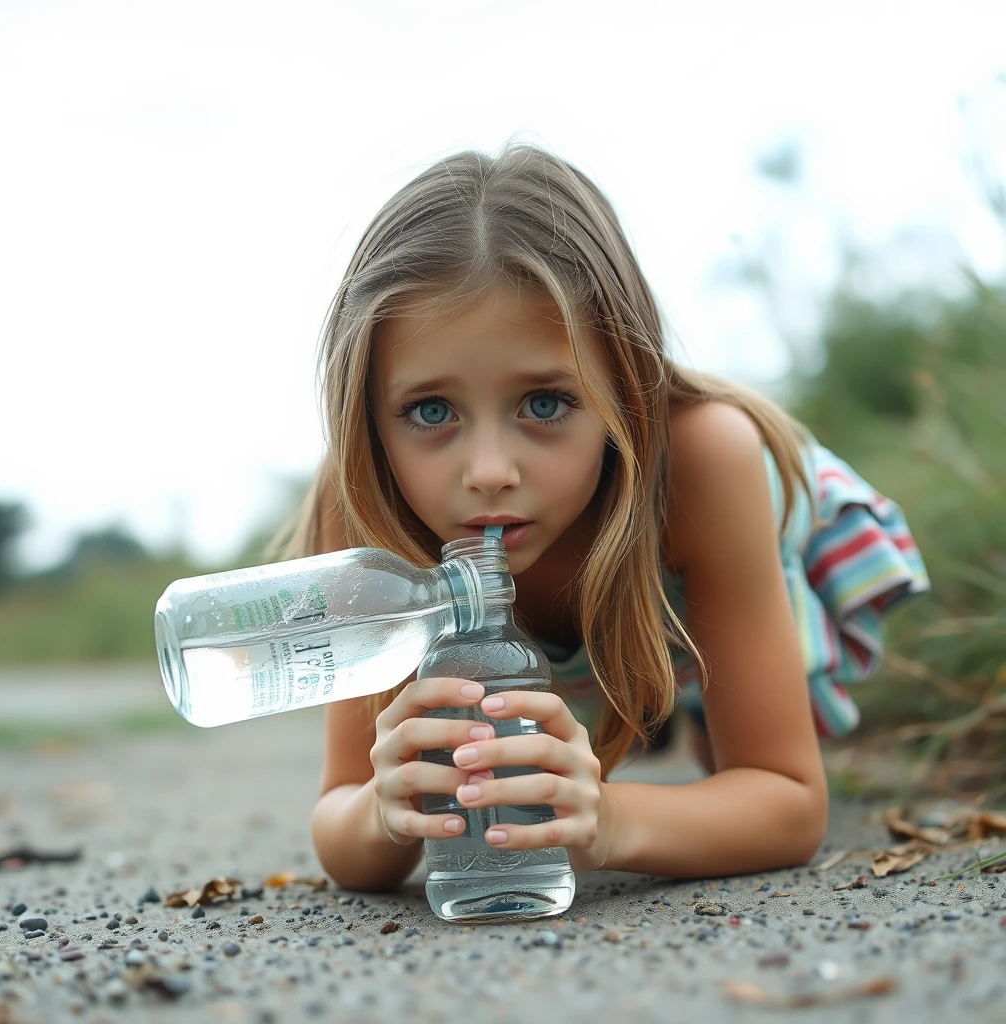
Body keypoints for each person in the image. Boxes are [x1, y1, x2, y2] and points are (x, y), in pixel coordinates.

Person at [271, 141, 929, 891]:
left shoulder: (705, 461)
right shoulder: (361, 503)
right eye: (430, 410)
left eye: (545, 403)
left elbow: (786, 802)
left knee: (731, 761)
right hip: (617, 621)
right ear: (370, 420)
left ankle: (683, 704)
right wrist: (383, 813)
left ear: (623, 385)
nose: (490, 472)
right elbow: (340, 817)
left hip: (713, 554)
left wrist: (610, 821)